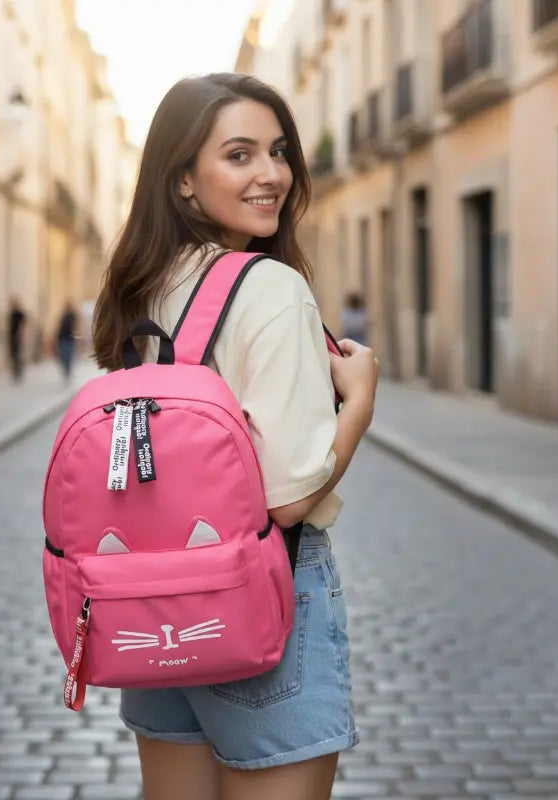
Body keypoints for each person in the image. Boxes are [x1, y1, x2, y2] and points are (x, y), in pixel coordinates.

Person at [91, 73, 379, 800]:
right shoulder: (270, 288)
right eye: (240, 154)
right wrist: (360, 402)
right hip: (256, 595)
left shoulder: (146, 285)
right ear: (183, 179)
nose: (272, 174)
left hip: (153, 605)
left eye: (278, 152)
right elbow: (288, 498)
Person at [55, 301, 77, 378]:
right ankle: (65, 371)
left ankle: (68, 370)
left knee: (69, 356)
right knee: (63, 356)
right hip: (63, 338)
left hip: (70, 338)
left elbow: (76, 326)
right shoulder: (63, 316)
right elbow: (59, 327)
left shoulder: (73, 316)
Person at [8, 296, 26, 382]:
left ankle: (19, 371)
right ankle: (15, 372)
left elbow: (22, 324)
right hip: (11, 336)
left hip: (17, 336)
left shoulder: (19, 313)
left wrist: (20, 334)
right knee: (13, 354)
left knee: (18, 354)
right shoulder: (12, 313)